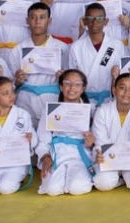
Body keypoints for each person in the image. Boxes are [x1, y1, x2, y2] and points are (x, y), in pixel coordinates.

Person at [36, 69, 95, 197]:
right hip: (57, 155)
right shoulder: (50, 110)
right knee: (52, 190)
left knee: (77, 188)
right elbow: (43, 140)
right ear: (61, 87)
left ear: (83, 88)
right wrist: (45, 157)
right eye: (67, 83)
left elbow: (98, 140)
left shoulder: (92, 109)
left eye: (77, 84)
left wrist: (91, 144)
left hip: (81, 155)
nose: (72, 88)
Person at [7, 2, 69, 121]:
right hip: (24, 101)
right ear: (27, 20)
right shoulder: (18, 50)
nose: (37, 21)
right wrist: (17, 81)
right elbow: (9, 84)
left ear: (49, 21)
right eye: (33, 17)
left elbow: (70, 80)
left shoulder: (62, 48)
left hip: (52, 100)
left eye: (42, 17)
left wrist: (63, 78)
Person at [91, 73, 130, 193]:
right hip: (109, 158)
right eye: (122, 88)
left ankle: (124, 176)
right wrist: (100, 154)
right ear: (114, 90)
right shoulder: (103, 111)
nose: (126, 93)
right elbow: (100, 140)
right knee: (102, 183)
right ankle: (121, 179)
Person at [68, 2, 125, 106]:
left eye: (99, 18)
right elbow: (73, 76)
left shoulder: (116, 45)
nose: (94, 22)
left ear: (106, 21)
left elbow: (121, 76)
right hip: (84, 99)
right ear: (84, 21)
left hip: (109, 99)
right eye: (90, 18)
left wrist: (115, 76)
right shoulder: (76, 47)